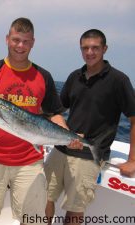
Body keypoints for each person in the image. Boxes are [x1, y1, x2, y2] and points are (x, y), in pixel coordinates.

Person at [0, 17, 73, 225]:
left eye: (25, 41)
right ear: (7, 39)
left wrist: (68, 135)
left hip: (30, 161)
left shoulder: (44, 76)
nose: (20, 46)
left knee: (32, 219)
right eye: (16, 40)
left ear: (33, 42)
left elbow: (55, 113)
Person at [44, 29, 135, 225]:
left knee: (74, 212)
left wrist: (132, 160)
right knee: (43, 199)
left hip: (89, 155)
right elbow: (57, 111)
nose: (90, 52)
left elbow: (134, 119)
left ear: (105, 49)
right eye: (85, 48)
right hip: (61, 148)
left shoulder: (119, 80)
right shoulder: (74, 76)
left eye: (95, 48)